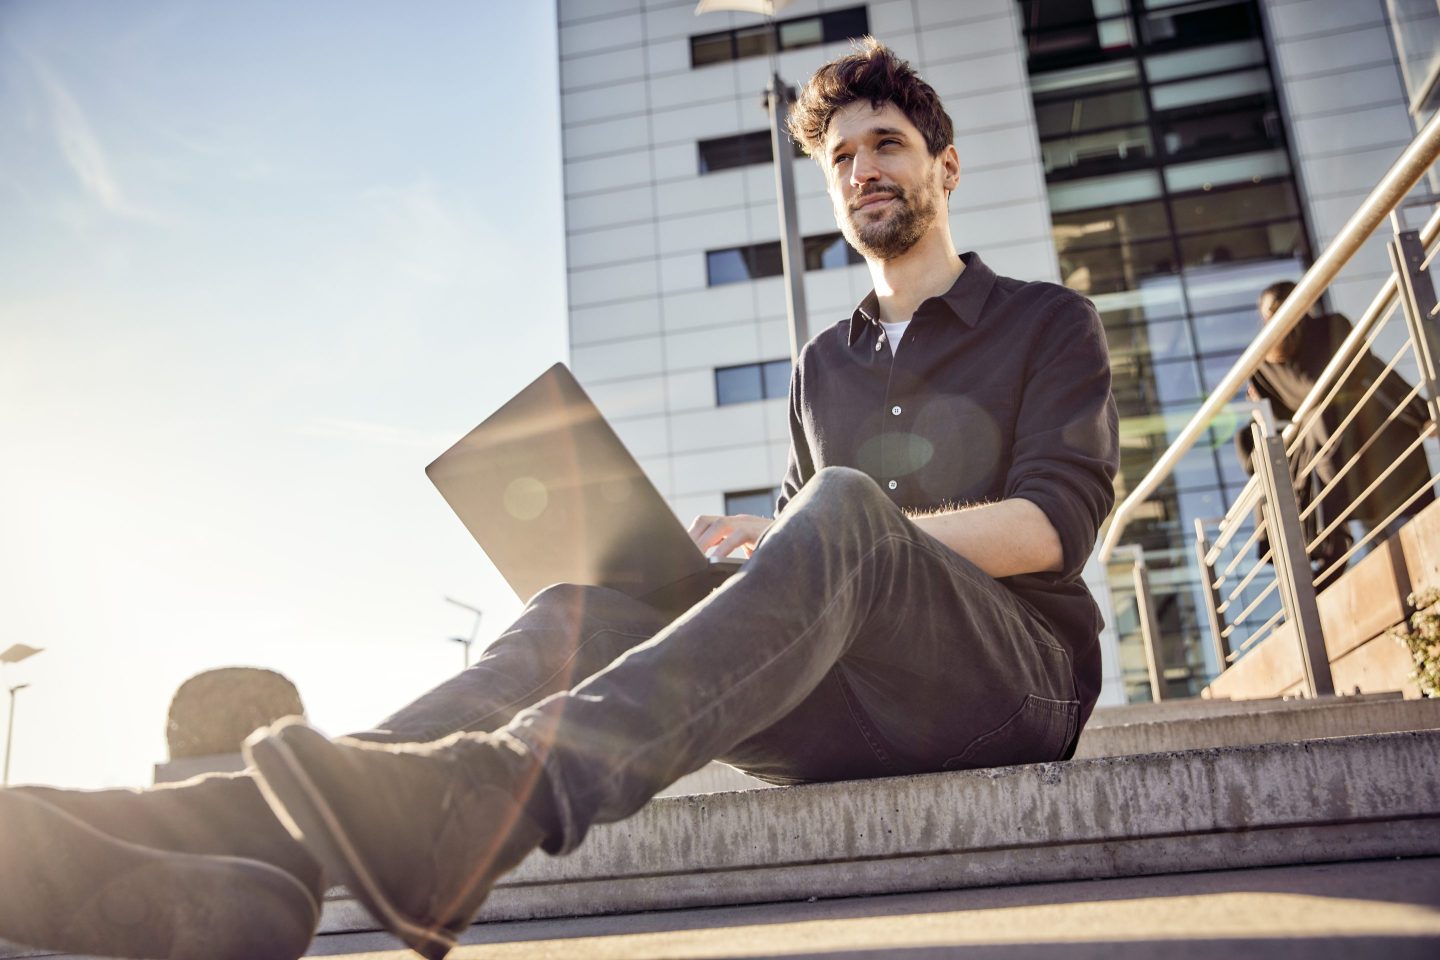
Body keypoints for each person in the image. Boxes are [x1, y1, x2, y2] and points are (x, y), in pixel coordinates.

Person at [0, 39, 1118, 960]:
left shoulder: (1045, 323)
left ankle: (476, 802)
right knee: (587, 602)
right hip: (844, 705)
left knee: (839, 510)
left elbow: (1046, 531)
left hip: (1008, 689)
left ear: (947, 169)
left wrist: (834, 533)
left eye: (890, 145)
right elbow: (812, 536)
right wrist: (755, 552)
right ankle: (231, 838)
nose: (865, 167)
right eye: (842, 157)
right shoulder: (821, 365)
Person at [1238, 280, 1432, 575]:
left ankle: (1337, 556)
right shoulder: (1328, 327)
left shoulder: (1260, 363)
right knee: (1401, 520)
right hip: (1367, 437)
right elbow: (1374, 374)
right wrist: (1421, 413)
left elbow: (1271, 419)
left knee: (1384, 533)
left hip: (1329, 460)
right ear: (1303, 303)